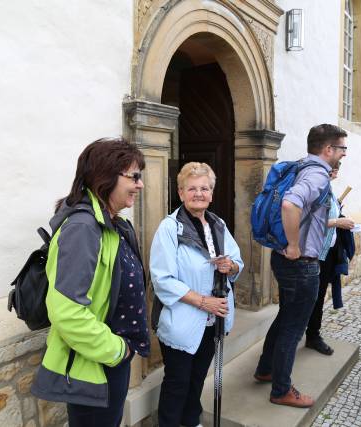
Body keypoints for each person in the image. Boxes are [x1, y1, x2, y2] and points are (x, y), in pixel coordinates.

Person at [31, 138, 150, 427]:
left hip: (108, 360)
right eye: (134, 176)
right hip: (97, 362)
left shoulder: (112, 224)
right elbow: (67, 312)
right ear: (105, 176)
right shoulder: (83, 229)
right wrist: (118, 351)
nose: (140, 184)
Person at [254, 124, 348, 408]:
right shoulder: (317, 173)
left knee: (286, 317)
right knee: (294, 327)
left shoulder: (301, 166)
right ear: (328, 149)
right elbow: (290, 204)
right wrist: (294, 245)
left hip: (283, 258)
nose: (344, 155)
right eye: (342, 149)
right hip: (300, 263)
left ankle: (266, 369)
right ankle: (281, 389)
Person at [150, 162, 243, 427]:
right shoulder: (170, 228)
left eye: (204, 188)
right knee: (177, 382)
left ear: (211, 194)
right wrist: (203, 302)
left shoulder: (218, 224)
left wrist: (231, 266)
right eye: (192, 188)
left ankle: (191, 421)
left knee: (197, 377)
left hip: (214, 320)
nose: (199, 193)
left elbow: (237, 260)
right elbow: (162, 279)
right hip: (182, 319)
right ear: (181, 193)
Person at [305, 163, 355, 355]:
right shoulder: (314, 190)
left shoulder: (329, 190)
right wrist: (337, 221)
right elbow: (307, 221)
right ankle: (301, 336)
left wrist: (337, 212)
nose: (335, 172)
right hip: (313, 253)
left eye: (337, 169)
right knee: (308, 299)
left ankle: (313, 335)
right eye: (332, 168)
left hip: (328, 252)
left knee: (318, 297)